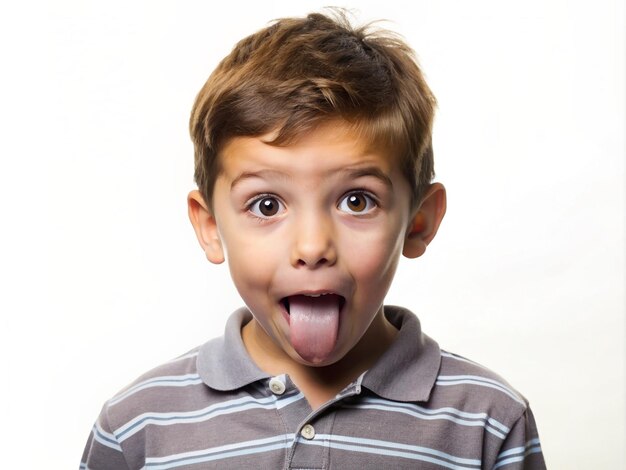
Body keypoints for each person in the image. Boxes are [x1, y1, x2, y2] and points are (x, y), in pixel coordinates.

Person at [80, 10, 546, 469]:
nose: (311, 247)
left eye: (357, 201)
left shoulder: (490, 423)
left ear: (418, 221)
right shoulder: (137, 428)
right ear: (210, 227)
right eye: (266, 205)